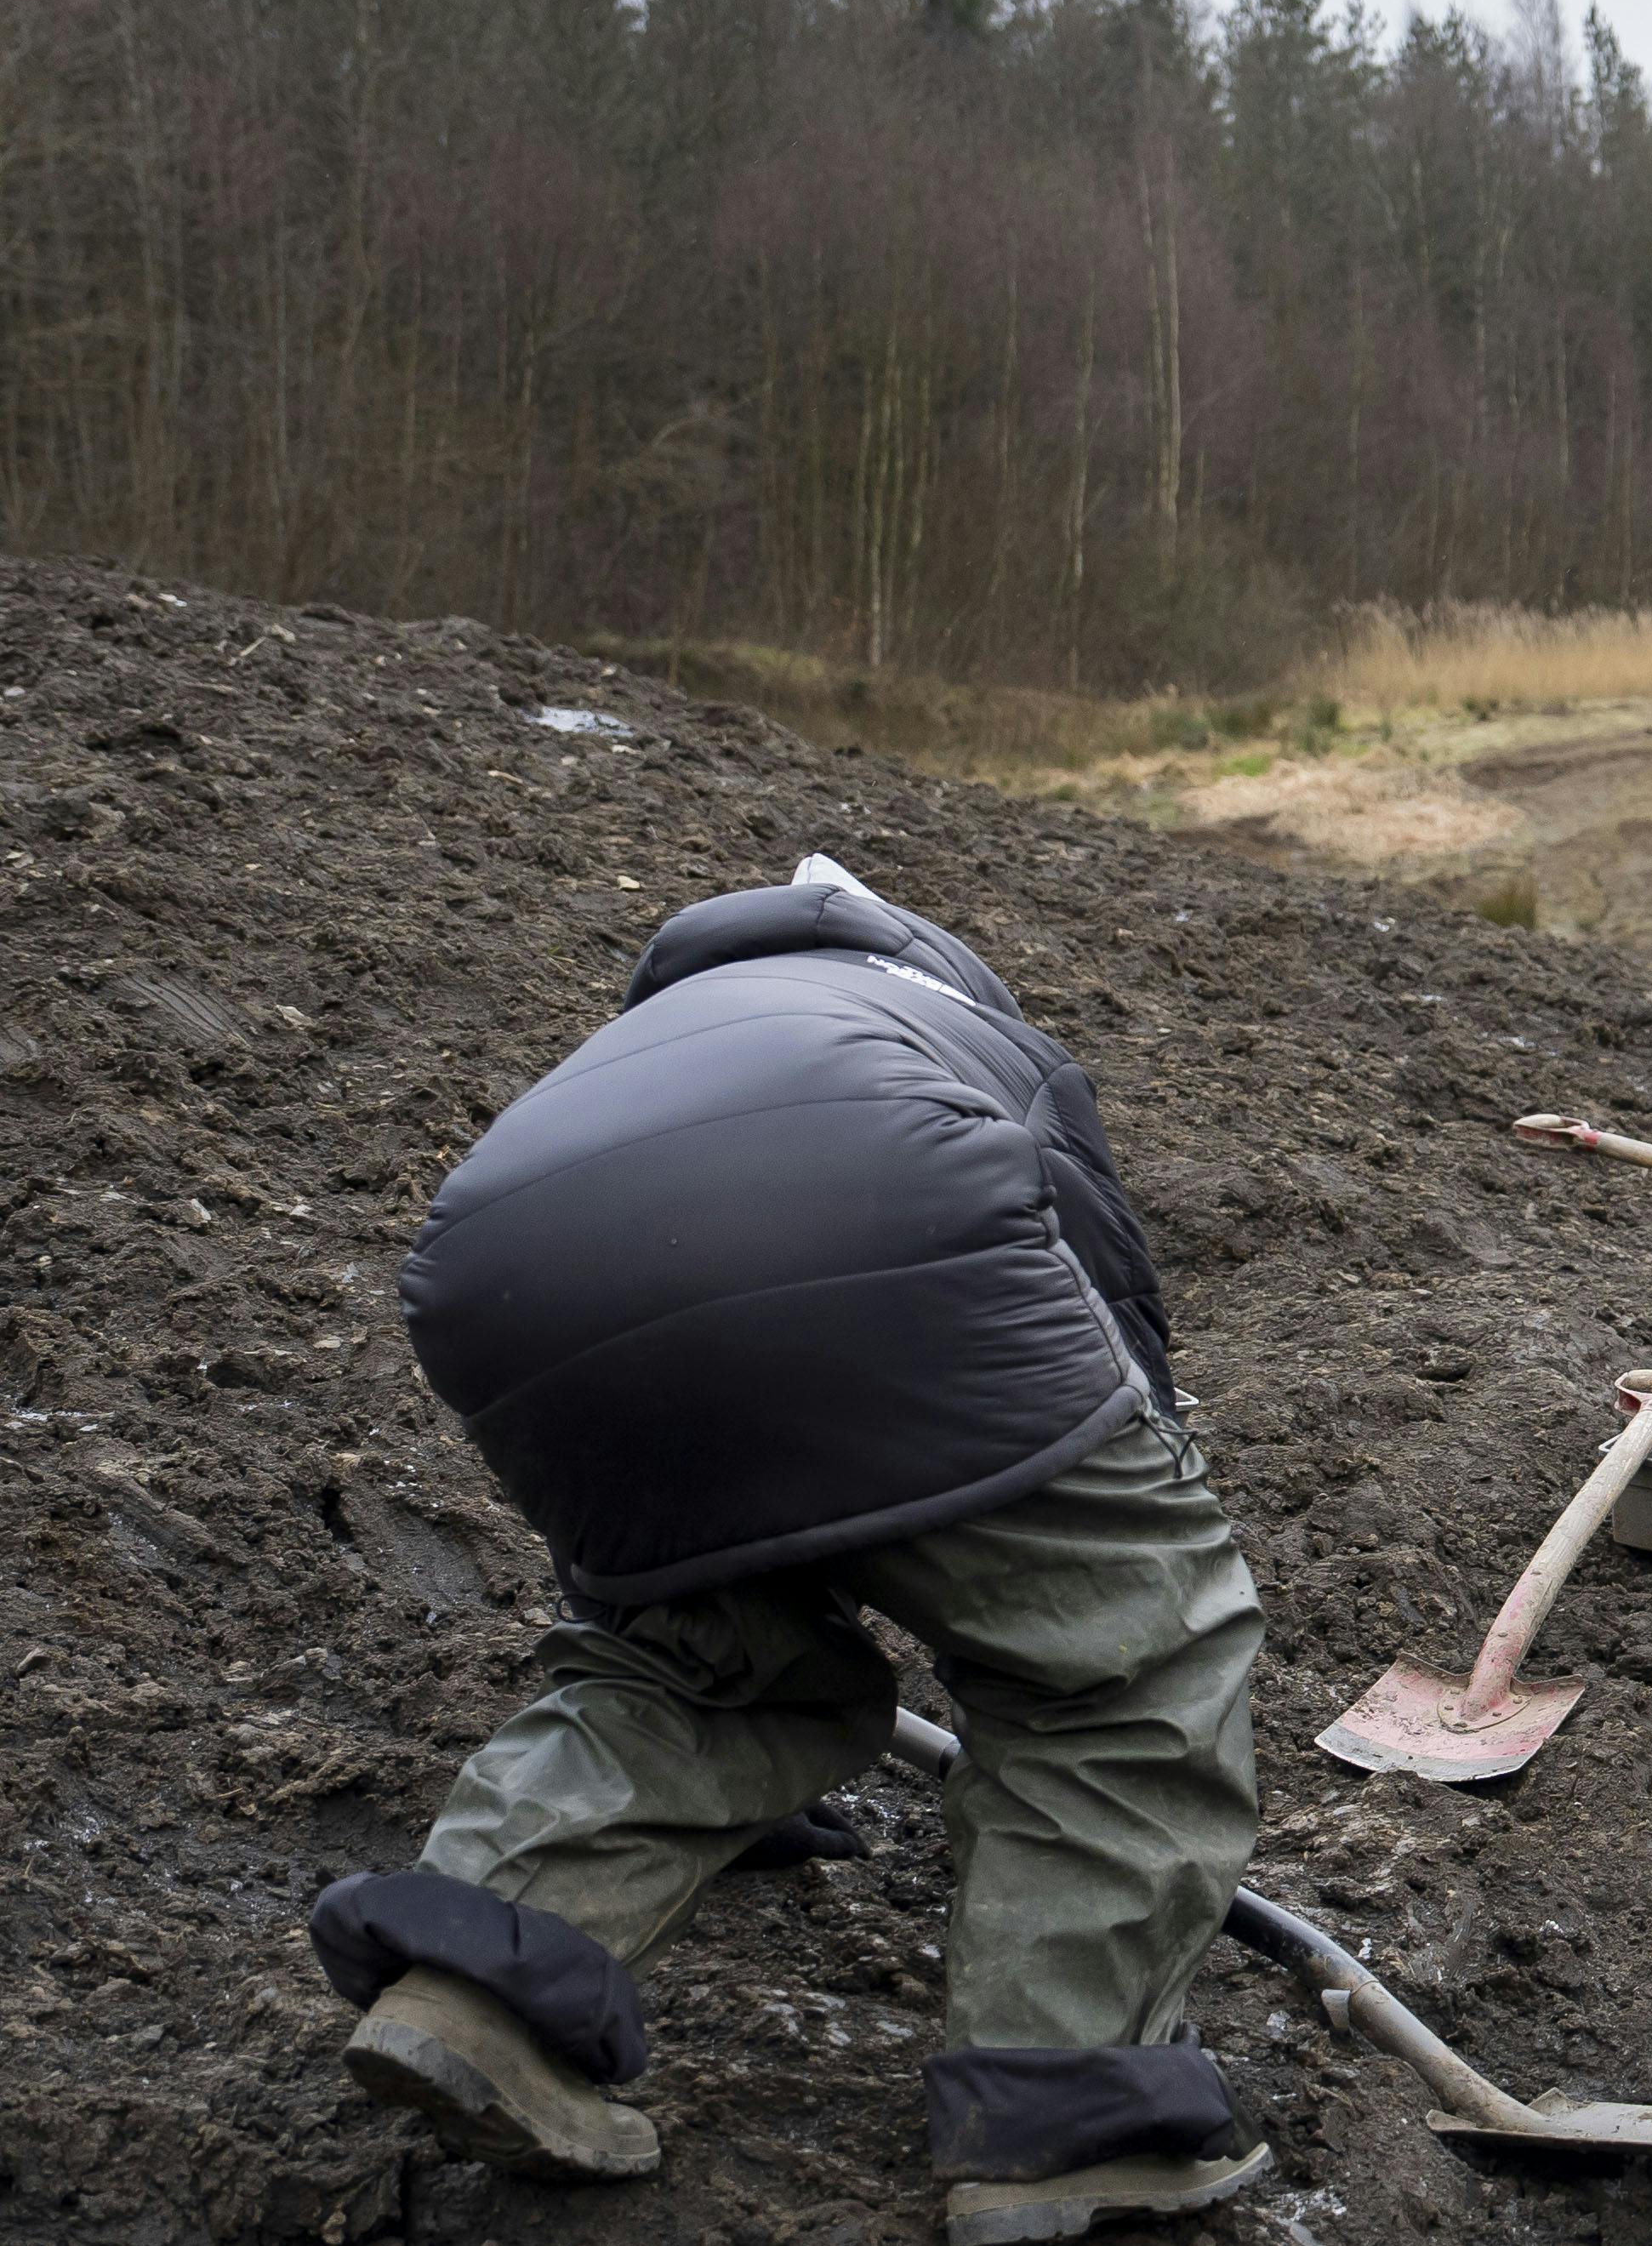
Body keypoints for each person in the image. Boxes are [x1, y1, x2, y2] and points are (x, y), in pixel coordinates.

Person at [316, 859, 1271, 2245]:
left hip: (499, 1281)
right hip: (892, 1218)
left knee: (693, 1672)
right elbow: (1105, 1302)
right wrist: (1136, 1529)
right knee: (1114, 1678)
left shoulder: (641, 1043)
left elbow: (637, 1548)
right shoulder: (956, 1020)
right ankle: (1068, 2112)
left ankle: (474, 1980)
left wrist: (695, 1642)